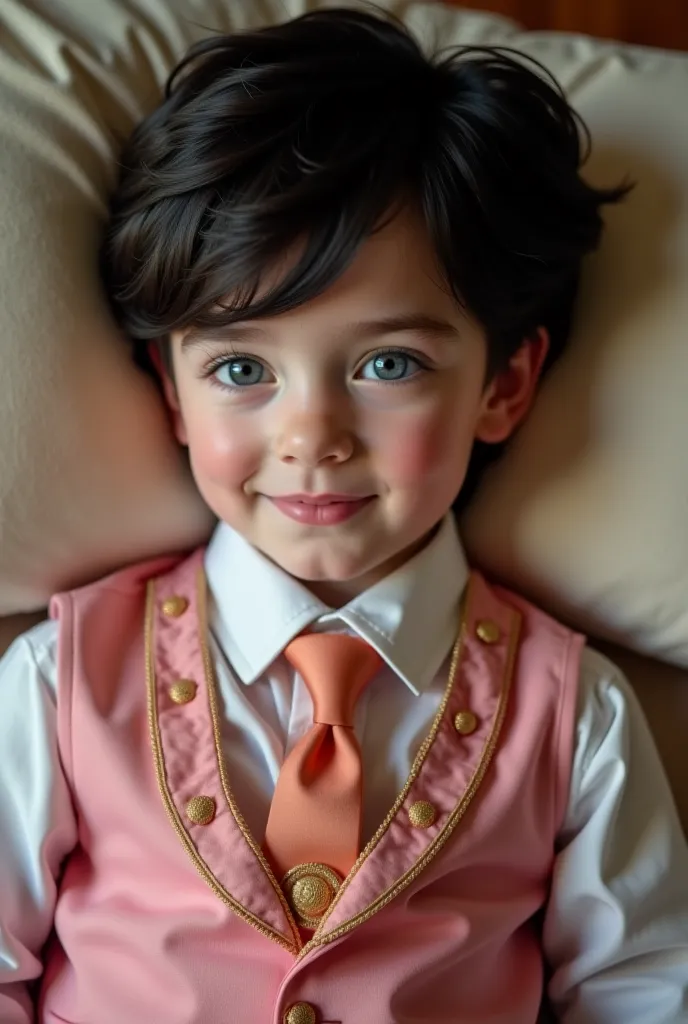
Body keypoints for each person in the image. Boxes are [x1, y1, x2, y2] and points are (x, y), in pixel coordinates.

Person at [1, 6, 687, 1023]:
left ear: (502, 385)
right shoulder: (59, 684)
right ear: (173, 391)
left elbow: (638, 993)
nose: (312, 434)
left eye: (387, 364)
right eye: (241, 368)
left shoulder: (574, 717)